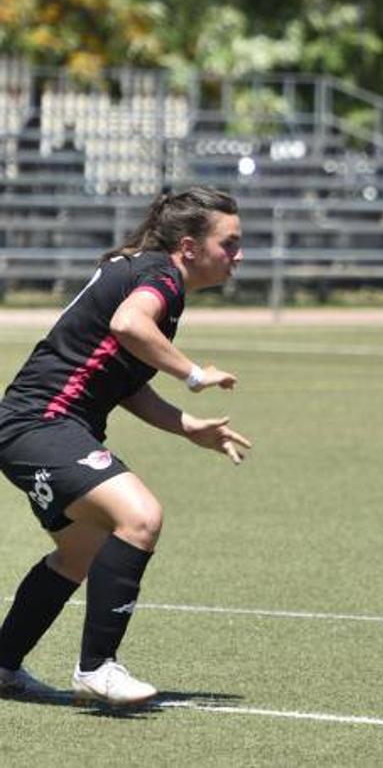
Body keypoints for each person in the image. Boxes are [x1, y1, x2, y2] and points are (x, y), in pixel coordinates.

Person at [0, 187, 251, 705]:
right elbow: (127, 325)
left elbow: (126, 382)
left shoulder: (148, 273)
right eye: (229, 243)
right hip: (41, 424)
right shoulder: (158, 277)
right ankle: (97, 669)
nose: (238, 255)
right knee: (140, 517)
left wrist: (188, 427)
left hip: (38, 426)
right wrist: (195, 374)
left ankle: (2, 665)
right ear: (188, 247)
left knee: (79, 552)